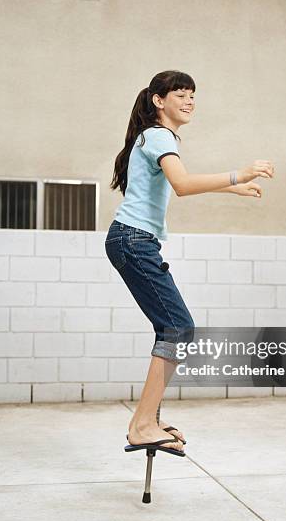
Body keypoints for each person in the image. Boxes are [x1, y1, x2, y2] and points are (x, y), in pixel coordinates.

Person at [106, 70, 275, 454]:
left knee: (172, 329)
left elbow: (175, 183)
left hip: (133, 241)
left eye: (193, 95)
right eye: (180, 94)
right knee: (178, 328)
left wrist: (235, 188)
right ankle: (142, 424)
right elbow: (182, 185)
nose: (189, 101)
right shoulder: (159, 135)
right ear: (157, 100)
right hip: (133, 241)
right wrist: (239, 172)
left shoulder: (152, 137)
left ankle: (148, 417)